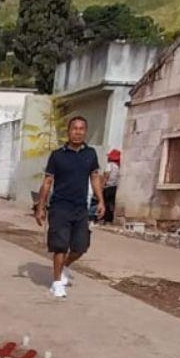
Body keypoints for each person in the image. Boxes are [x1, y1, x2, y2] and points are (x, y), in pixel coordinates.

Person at [34, 116, 105, 299]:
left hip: (81, 207)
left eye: (82, 128)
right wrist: (40, 207)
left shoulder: (90, 154)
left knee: (81, 246)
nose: (78, 132)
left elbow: (95, 177)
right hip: (60, 207)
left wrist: (101, 201)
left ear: (85, 131)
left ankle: (63, 267)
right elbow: (48, 182)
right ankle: (57, 283)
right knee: (60, 245)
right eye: (75, 128)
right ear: (68, 131)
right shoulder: (57, 155)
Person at [103, 149, 121, 223]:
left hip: (108, 187)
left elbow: (106, 175)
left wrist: (102, 185)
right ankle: (111, 219)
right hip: (115, 187)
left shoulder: (109, 165)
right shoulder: (118, 167)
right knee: (112, 204)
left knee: (106, 203)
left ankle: (106, 219)